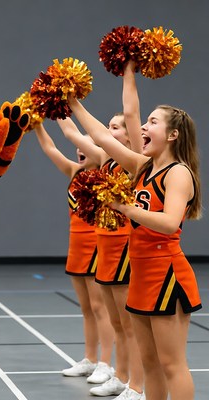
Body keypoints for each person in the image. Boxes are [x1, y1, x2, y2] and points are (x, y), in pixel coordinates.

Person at [68, 69, 202, 400]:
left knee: (173, 364)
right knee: (151, 363)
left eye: (153, 122)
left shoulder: (178, 173)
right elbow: (103, 136)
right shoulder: (143, 166)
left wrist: (126, 209)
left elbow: (171, 223)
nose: (143, 126)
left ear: (172, 135)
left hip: (167, 272)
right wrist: (72, 102)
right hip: (141, 271)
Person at [57, 62, 145, 400]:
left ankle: (133, 384)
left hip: (124, 246)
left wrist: (128, 73)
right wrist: (57, 103)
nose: (108, 132)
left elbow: (126, 116)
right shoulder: (105, 161)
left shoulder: (132, 159)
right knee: (120, 322)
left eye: (115, 128)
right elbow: (78, 134)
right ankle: (121, 376)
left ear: (127, 135)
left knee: (130, 322)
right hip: (105, 248)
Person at [34, 122, 115, 384]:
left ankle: (106, 363)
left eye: (85, 144)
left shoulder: (106, 174)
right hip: (76, 249)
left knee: (100, 307)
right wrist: (37, 126)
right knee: (86, 309)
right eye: (78, 146)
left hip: (96, 248)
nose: (79, 150)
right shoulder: (73, 172)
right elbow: (50, 148)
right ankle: (90, 359)